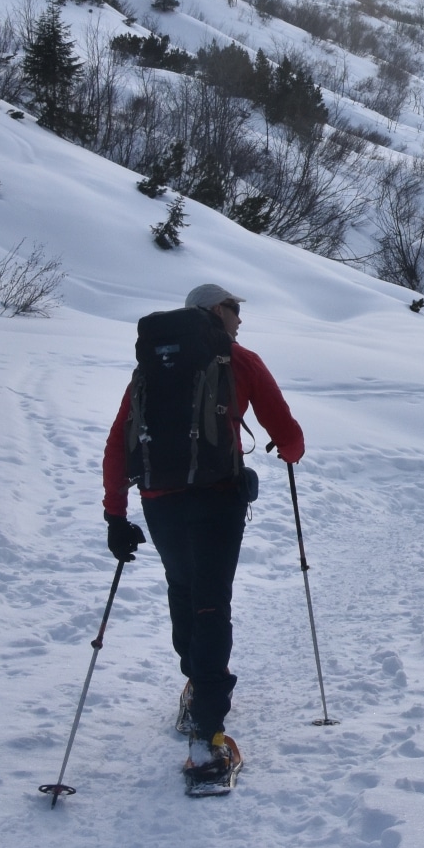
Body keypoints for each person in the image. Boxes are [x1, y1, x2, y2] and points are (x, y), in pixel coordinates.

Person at [102, 283, 304, 779]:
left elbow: (118, 441)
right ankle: (207, 738)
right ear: (216, 310)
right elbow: (287, 432)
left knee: (184, 588)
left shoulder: (152, 367)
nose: (239, 319)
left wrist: (115, 516)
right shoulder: (240, 360)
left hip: (158, 501)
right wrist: (290, 450)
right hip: (217, 498)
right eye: (234, 309)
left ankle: (196, 687)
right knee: (212, 602)